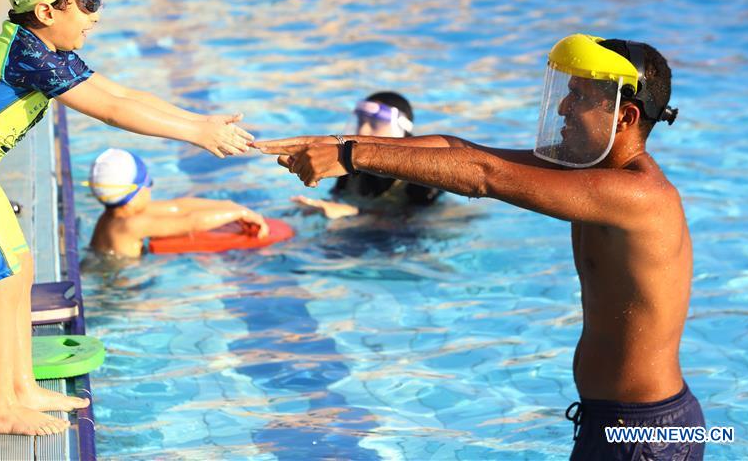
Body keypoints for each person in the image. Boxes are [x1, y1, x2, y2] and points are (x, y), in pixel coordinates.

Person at [257, 34, 705, 460]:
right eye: (567, 93)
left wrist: (353, 158)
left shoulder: (640, 196)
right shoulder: (587, 171)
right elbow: (462, 148)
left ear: (624, 117)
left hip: (647, 434)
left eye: (581, 97)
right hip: (616, 422)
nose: (565, 107)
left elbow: (483, 175)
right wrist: (337, 144)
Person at [0, 0, 253, 437]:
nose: (96, 15)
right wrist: (197, 135)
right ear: (47, 10)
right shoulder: (31, 58)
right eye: (88, 4)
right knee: (1, 282)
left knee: (19, 272)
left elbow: (122, 91)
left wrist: (200, 119)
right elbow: (113, 110)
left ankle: (21, 385)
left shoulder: (42, 48)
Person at [88, 148, 269, 258]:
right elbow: (191, 222)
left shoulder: (119, 214)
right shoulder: (131, 225)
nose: (151, 188)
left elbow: (178, 206)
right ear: (133, 192)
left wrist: (228, 205)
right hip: (122, 288)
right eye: (148, 183)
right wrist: (241, 214)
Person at [291, 92, 441, 219]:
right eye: (361, 121)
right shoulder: (351, 164)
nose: (363, 130)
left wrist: (354, 213)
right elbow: (335, 200)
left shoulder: (420, 174)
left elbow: (418, 222)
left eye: (374, 124)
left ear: (402, 131)